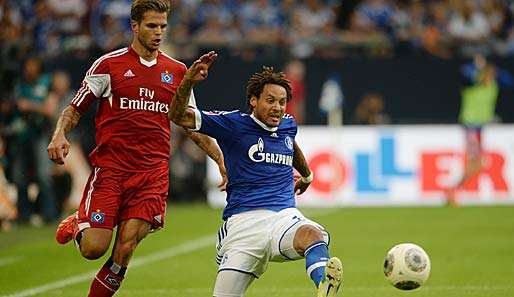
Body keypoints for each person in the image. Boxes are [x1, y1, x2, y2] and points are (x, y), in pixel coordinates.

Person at [47, 1, 226, 296]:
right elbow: (74, 109)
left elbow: (191, 125)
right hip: (112, 170)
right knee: (94, 248)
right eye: (151, 26)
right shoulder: (108, 65)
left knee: (125, 249)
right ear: (134, 26)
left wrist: (220, 159)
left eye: (162, 27)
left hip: (151, 176)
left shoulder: (177, 71)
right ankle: (79, 224)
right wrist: (59, 135)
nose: (158, 33)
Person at [169, 52, 343, 297]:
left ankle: (323, 286)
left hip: (282, 217)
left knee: (314, 235)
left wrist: (307, 175)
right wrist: (188, 82)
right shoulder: (233, 125)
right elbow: (178, 116)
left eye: (282, 102)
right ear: (253, 100)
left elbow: (290, 145)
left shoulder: (287, 124)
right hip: (243, 226)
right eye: (270, 100)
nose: (277, 108)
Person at [446, 54, 512, 206]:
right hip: (470, 126)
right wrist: (477, 66)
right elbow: (464, 73)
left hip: (480, 127)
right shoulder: (471, 85)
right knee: (477, 161)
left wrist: (496, 71)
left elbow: (508, 80)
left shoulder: (493, 85)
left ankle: (453, 190)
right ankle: (453, 190)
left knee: (478, 163)